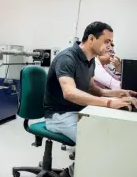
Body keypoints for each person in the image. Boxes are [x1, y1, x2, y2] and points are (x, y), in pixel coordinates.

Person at [43, 21, 137, 177]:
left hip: (78, 111)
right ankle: (69, 174)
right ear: (91, 38)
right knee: (97, 144)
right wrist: (109, 103)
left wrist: (117, 93)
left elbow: (93, 89)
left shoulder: (91, 60)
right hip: (58, 116)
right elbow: (70, 93)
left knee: (111, 136)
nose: (110, 46)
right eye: (107, 41)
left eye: (111, 42)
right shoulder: (67, 58)